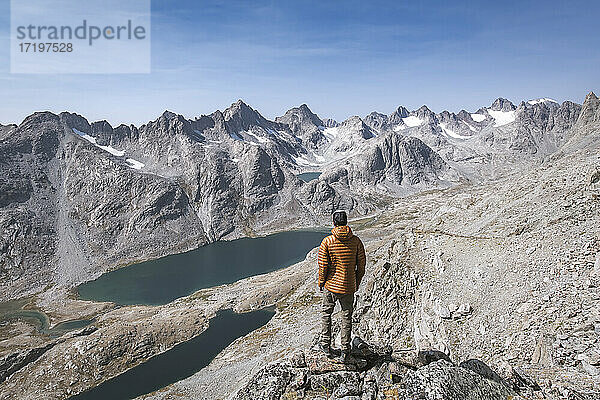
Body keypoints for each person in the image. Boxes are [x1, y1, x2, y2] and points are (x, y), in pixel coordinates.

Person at [317, 210, 366, 363]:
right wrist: (355, 282)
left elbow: (323, 266)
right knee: (346, 317)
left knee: (326, 314)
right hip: (348, 287)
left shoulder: (328, 241)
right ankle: (345, 349)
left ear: (334, 223)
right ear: (346, 222)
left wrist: (321, 282)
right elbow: (362, 266)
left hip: (331, 286)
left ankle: (325, 345)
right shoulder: (356, 241)